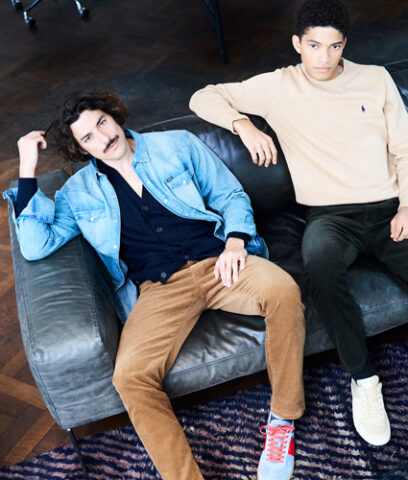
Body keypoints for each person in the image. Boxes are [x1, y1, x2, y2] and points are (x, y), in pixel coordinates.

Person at [190, 0, 408, 448]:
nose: (323, 58)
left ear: (345, 44)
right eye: (313, 46)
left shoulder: (375, 79)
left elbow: (407, 152)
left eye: (334, 46)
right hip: (331, 217)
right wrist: (243, 125)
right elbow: (202, 96)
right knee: (319, 263)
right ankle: (363, 379)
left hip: (390, 211)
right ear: (297, 44)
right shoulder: (277, 86)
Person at [4, 91, 306, 480]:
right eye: (88, 137)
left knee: (283, 292)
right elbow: (34, 245)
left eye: (102, 122)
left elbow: (230, 195)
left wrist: (235, 242)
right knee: (130, 377)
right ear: (80, 150)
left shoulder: (177, 144)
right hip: (160, 290)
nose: (103, 137)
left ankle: (282, 420)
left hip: (220, 261)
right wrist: (27, 168)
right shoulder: (78, 193)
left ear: (114, 115)